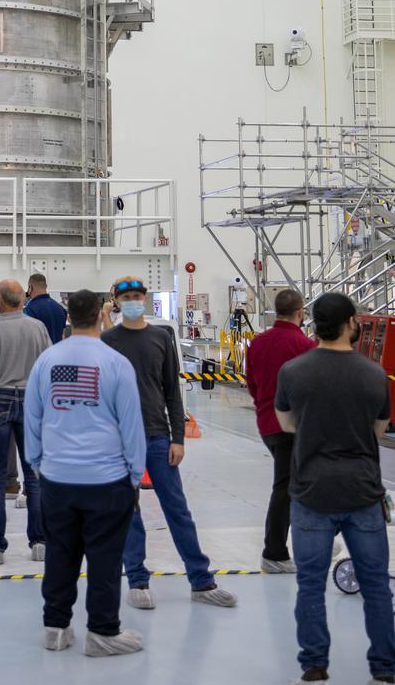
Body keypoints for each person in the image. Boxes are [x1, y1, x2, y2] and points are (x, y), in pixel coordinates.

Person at [275, 291, 395, 685]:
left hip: (311, 492)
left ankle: (315, 681)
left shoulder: (293, 371)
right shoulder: (374, 374)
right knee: (377, 587)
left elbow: (287, 424)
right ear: (352, 323)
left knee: (310, 585)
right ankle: (386, 681)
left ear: (313, 324)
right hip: (363, 491)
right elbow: (380, 429)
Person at [102, 276, 237, 609]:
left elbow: (172, 393)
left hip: (158, 437)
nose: (133, 300)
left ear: (145, 299)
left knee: (177, 509)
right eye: (126, 296)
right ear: (116, 303)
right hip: (120, 441)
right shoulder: (107, 341)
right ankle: (137, 579)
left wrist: (178, 437)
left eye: (137, 295)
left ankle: (201, 580)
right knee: (129, 512)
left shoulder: (160, 337)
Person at [25, 288, 146, 656]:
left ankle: (56, 627)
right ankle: (103, 631)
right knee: (105, 557)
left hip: (57, 478)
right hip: (106, 479)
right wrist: (135, 473)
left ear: (67, 317)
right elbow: (131, 425)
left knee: (61, 554)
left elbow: (32, 417)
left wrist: (37, 463)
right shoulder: (115, 362)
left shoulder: (46, 361)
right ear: (100, 315)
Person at [0, 279, 51, 565]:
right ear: (21, 299)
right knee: (34, 475)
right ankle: (40, 542)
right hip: (32, 400)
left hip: (0, 400)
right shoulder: (38, 328)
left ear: (0, 300)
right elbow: (48, 367)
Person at [246, 287, 313, 573]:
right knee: (288, 488)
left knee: (294, 485)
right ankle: (274, 552)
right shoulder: (305, 347)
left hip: (266, 425)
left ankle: (310, 539)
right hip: (295, 428)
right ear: (301, 312)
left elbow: (251, 384)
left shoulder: (257, 343)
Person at [25, 273, 67, 345]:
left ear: (30, 288)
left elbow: (28, 338)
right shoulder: (60, 308)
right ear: (46, 286)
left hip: (40, 355)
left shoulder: (30, 309)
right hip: (57, 353)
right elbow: (62, 335)